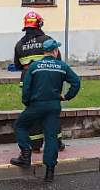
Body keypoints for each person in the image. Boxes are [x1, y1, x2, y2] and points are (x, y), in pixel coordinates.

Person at [10, 39, 81, 183]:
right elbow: (76, 82)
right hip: (54, 106)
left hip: (36, 105)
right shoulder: (62, 66)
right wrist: (67, 97)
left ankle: (25, 154)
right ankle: (49, 173)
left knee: (20, 125)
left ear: (45, 52)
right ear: (55, 51)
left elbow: (26, 88)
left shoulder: (34, 66)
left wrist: (27, 102)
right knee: (51, 138)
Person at [13, 11, 66, 153]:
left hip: (27, 82)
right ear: (40, 24)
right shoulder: (47, 41)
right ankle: (57, 142)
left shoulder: (19, 44)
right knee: (51, 113)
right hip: (48, 80)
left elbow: (17, 65)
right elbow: (58, 61)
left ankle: (35, 145)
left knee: (33, 112)